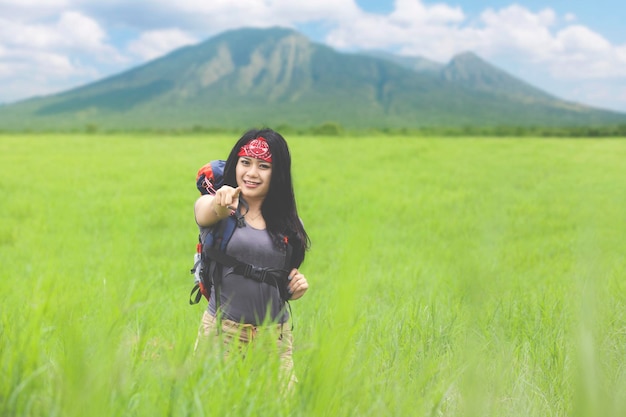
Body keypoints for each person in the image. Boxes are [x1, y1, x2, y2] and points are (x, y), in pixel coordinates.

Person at [193, 128, 310, 384]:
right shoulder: (216, 206)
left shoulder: (290, 224)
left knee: (283, 407)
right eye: (245, 163)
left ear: (277, 173)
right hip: (222, 335)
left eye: (263, 165)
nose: (251, 173)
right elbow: (205, 212)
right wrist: (219, 203)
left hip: (274, 339)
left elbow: (279, 278)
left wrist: (294, 288)